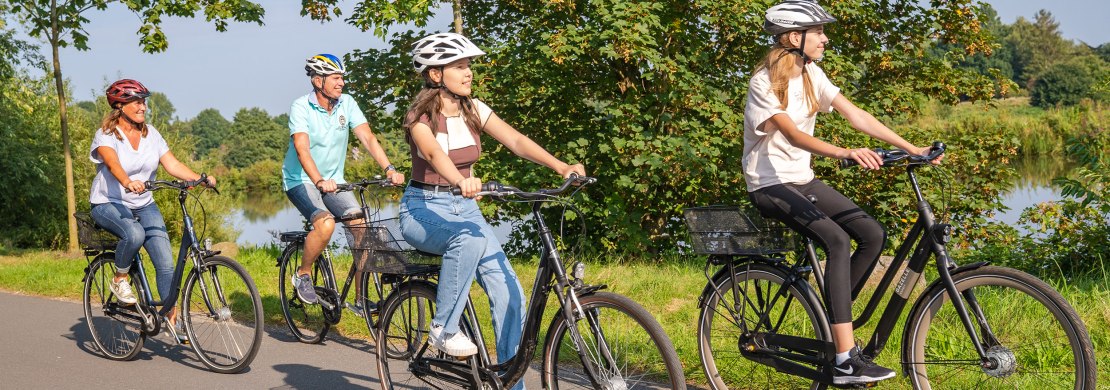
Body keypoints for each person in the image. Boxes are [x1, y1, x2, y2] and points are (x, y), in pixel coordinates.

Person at [743, 1, 939, 385]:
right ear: (793, 37)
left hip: (802, 180)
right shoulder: (764, 83)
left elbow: (856, 115)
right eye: (819, 32)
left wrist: (913, 148)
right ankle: (846, 358)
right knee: (835, 239)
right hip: (769, 184)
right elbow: (793, 133)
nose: (825, 39)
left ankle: (833, 315)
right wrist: (844, 152)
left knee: (872, 234)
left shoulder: (812, 74)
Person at [399, 32, 584, 379]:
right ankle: (443, 327)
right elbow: (434, 153)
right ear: (436, 74)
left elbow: (516, 140)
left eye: (468, 65)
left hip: (464, 210)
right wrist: (460, 180)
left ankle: (508, 384)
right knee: (466, 241)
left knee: (510, 292)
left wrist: (561, 166)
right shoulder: (420, 118)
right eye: (459, 66)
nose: (468, 72)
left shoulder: (473, 109)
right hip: (423, 208)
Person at [89, 78, 214, 345]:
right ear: (119, 106)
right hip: (108, 203)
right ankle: (120, 279)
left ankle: (170, 317)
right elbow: (111, 163)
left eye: (144, 101)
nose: (142, 106)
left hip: (144, 202)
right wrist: (126, 181)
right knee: (133, 234)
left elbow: (171, 163)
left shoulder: (151, 134)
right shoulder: (106, 135)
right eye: (136, 101)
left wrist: (198, 179)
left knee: (165, 262)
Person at [282, 53, 405, 314]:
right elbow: (302, 148)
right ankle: (303, 275)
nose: (342, 83)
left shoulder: (346, 104)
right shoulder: (301, 107)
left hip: (336, 182)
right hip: (301, 180)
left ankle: (359, 300)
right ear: (318, 81)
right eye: (336, 78)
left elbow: (368, 138)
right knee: (325, 224)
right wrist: (318, 180)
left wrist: (389, 168)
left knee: (361, 226)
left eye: (342, 78)